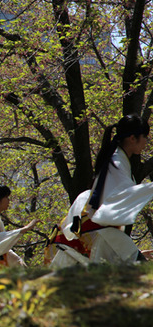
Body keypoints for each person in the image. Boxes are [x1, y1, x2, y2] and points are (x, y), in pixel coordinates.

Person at [46, 114, 153, 268]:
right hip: (102, 234)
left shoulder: (117, 161)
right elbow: (123, 195)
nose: (146, 142)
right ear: (132, 138)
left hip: (102, 234)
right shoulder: (116, 162)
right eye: (145, 137)